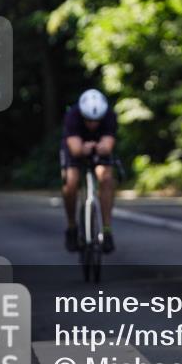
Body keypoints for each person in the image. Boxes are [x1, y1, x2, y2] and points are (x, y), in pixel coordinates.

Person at [61, 89, 118, 253]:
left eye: (97, 120)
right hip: (76, 145)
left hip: (98, 147)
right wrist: (83, 149)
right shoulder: (73, 116)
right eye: (88, 120)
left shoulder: (109, 116)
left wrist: (101, 147)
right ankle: (72, 226)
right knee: (70, 182)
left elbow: (107, 145)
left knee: (106, 178)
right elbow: (76, 149)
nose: (93, 124)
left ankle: (107, 230)